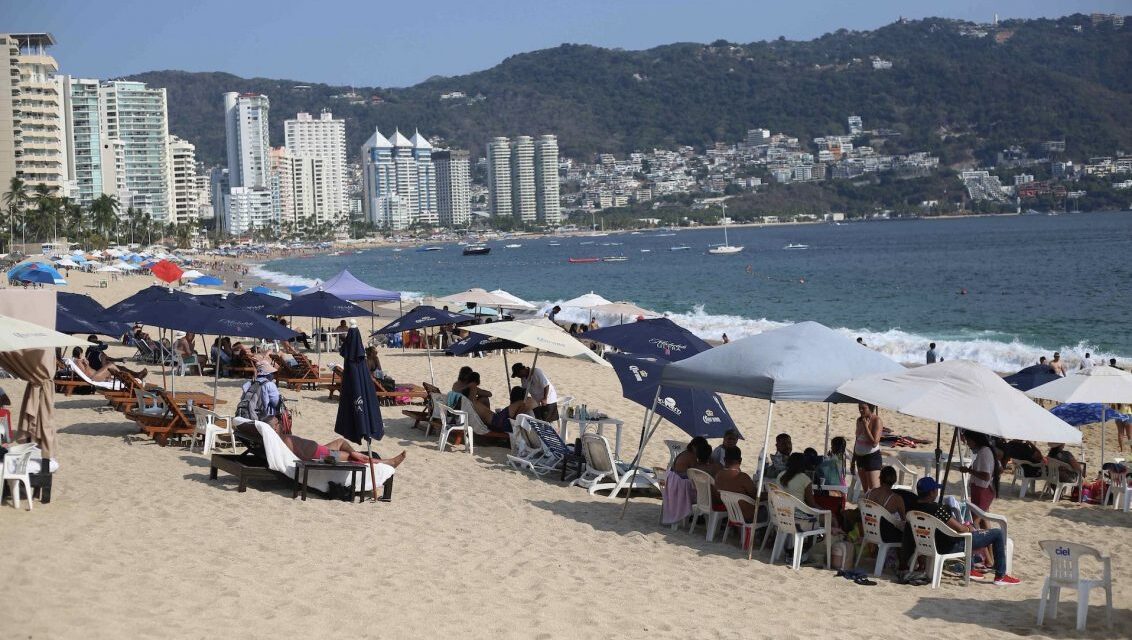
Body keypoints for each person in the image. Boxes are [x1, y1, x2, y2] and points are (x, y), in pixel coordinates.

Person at [909, 478, 1019, 585]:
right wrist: (968, 528)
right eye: (936, 490)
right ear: (931, 492)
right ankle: (1000, 576)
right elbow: (960, 529)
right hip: (949, 547)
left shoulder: (913, 509)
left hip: (928, 545)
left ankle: (970, 569)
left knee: (969, 532)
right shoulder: (937, 509)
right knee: (997, 533)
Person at [714, 446, 760, 522]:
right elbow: (756, 495)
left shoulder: (718, 475)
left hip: (730, 512)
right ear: (740, 460)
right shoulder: (743, 477)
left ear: (725, 460)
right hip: (747, 515)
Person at [863, 466, 907, 543]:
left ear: (880, 478)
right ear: (894, 480)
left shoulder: (869, 493)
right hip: (885, 535)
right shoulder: (896, 499)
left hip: (868, 531)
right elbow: (904, 520)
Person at [958, 431, 997, 511]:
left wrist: (968, 470)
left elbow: (986, 476)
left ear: (974, 440)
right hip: (982, 489)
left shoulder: (984, 452)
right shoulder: (984, 451)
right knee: (983, 519)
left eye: (968, 441)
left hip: (982, 491)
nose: (967, 444)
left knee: (976, 519)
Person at [240, 361, 282, 426]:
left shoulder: (249, 383)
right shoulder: (270, 385)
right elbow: (276, 403)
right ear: (268, 374)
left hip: (245, 415)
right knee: (279, 422)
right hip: (262, 418)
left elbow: (242, 399)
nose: (273, 375)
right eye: (272, 373)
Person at [853, 403, 884, 492]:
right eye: (859, 408)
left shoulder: (876, 420)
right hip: (859, 457)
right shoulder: (859, 420)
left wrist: (866, 427)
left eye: (863, 408)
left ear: (870, 408)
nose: (860, 410)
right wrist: (853, 460)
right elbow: (857, 440)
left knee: (874, 490)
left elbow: (874, 443)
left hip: (871, 457)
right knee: (866, 490)